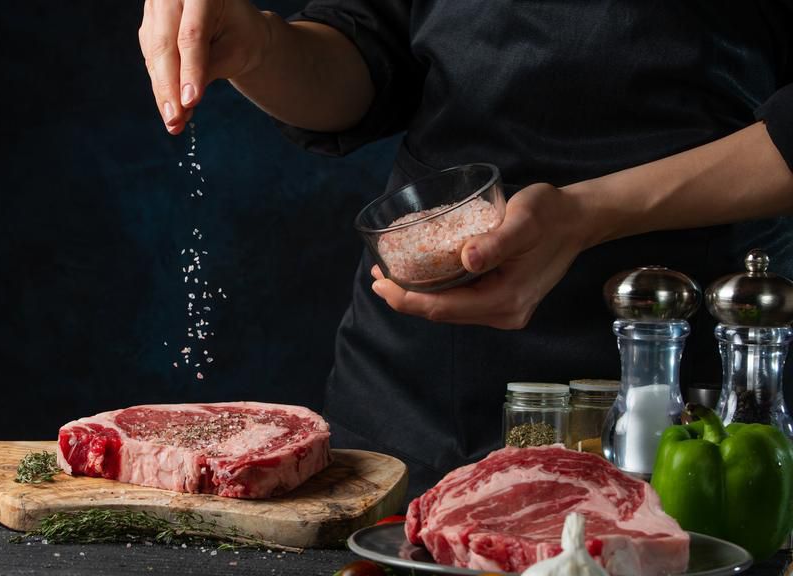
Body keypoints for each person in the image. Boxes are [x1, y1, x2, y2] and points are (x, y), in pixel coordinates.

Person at [139, 0, 793, 498]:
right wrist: (260, 47)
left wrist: (585, 214)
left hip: (691, 381)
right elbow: (368, 46)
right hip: (422, 392)